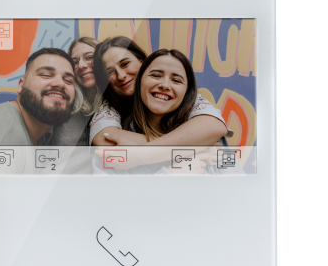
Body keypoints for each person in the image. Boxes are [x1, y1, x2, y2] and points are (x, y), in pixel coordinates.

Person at [89, 37, 230, 173]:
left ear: (143, 62)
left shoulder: (185, 96)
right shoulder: (108, 107)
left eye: (125, 64)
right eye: (110, 72)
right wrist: (193, 146)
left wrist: (142, 154)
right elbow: (104, 138)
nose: (120, 75)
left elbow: (214, 127)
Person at [0, 47, 77, 146]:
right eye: (46, 75)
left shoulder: (42, 135)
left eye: (68, 80)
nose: (60, 83)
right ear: (21, 85)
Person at [53, 37, 100, 147]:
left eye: (89, 57)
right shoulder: (63, 105)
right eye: (75, 62)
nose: (82, 65)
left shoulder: (120, 100)